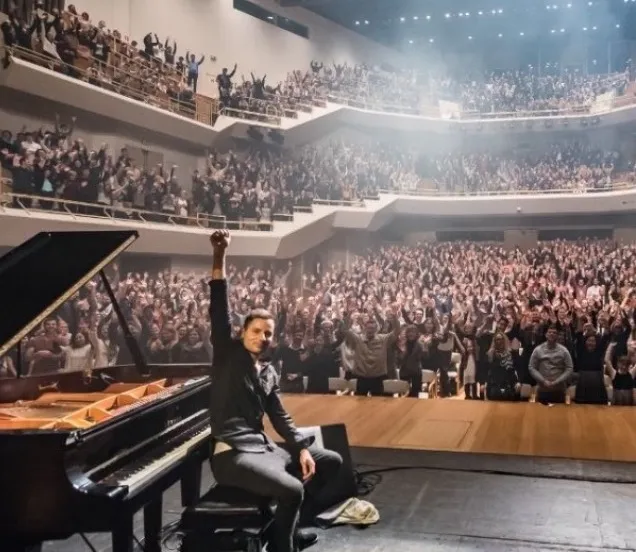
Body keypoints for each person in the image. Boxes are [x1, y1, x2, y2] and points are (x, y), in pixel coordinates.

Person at [207, 230, 343, 552]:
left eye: (268, 333)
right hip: (233, 453)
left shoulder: (267, 371)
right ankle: (284, 545)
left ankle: (290, 528)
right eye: (256, 331)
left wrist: (302, 448)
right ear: (242, 333)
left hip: (263, 448)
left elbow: (279, 415)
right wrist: (219, 255)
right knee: (293, 489)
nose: (263, 337)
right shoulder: (228, 356)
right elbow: (218, 306)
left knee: (332, 461)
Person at [528, 324, 574, 404]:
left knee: (559, 415)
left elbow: (569, 368)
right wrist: (543, 380)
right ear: (546, 335)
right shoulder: (538, 350)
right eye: (549, 332)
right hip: (542, 389)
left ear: (557, 336)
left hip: (559, 389)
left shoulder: (564, 351)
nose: (552, 334)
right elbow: (531, 367)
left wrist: (557, 381)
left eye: (554, 333)